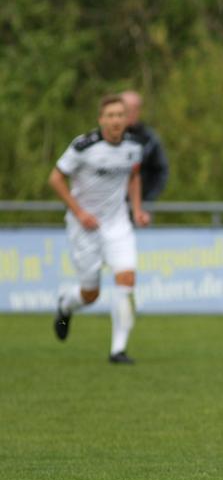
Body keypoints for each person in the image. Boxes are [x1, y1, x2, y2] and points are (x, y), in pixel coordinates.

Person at [50, 94, 151, 364]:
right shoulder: (84, 146)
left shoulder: (133, 147)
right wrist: (80, 212)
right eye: (111, 115)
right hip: (85, 227)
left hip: (118, 225)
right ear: (101, 120)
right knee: (90, 294)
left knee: (127, 279)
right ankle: (65, 305)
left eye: (120, 115)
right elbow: (56, 177)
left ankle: (117, 350)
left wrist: (137, 210)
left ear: (126, 119)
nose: (116, 120)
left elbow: (134, 176)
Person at [121, 90, 169, 202]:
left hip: (141, 204)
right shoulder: (106, 138)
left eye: (134, 109)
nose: (130, 113)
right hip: (110, 207)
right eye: (127, 109)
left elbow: (161, 170)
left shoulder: (150, 139)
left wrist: (149, 198)